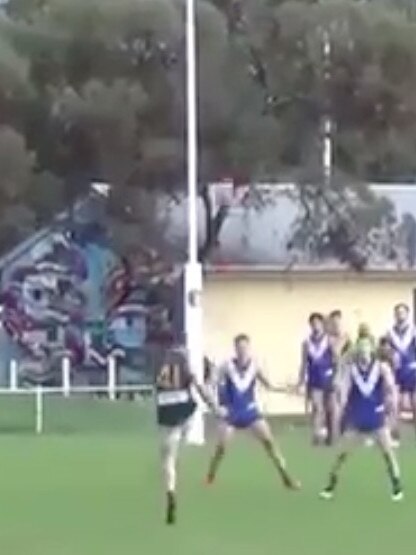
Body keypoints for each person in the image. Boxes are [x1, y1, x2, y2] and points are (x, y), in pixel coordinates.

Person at [205, 334, 300, 490]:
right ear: (235, 349)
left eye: (245, 347)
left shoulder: (255, 366)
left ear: (249, 348)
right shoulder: (227, 366)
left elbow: (269, 385)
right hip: (231, 413)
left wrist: (286, 389)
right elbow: (211, 385)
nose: (242, 351)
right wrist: (216, 406)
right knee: (221, 447)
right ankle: (210, 477)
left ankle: (286, 478)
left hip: (250, 412)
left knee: (270, 443)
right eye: (239, 348)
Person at [319, 337, 403, 501]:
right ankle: (330, 486)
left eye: (367, 345)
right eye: (361, 346)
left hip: (376, 417)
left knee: (388, 453)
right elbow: (344, 387)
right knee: (341, 454)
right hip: (356, 417)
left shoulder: (381, 367)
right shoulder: (352, 369)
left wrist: (391, 405)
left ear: (372, 349)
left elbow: (391, 388)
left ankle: (396, 486)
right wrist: (341, 398)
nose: (364, 349)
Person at [156, 341, 224, 525]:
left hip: (166, 411)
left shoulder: (160, 365)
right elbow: (200, 389)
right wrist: (215, 408)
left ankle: (170, 490)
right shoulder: (185, 364)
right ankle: (180, 450)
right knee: (181, 440)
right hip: (184, 409)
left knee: (167, 459)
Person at [298, 313, 335, 445]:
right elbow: (303, 363)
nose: (315, 326)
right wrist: (300, 381)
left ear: (322, 324)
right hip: (314, 380)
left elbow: (336, 359)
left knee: (330, 409)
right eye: (313, 323)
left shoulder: (329, 340)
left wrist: (338, 377)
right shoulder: (306, 343)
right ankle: (316, 435)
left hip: (329, 379)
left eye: (318, 323)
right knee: (316, 407)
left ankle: (331, 435)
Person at [386, 303, 416, 440]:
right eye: (397, 312)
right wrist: (391, 354)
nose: (400, 315)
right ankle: (395, 434)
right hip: (396, 370)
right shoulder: (390, 332)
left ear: (407, 314)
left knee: (414, 401)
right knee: (394, 402)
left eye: (402, 312)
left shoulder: (413, 331)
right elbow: (385, 350)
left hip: (412, 369)